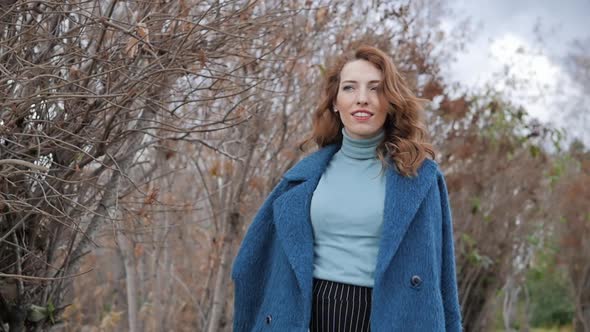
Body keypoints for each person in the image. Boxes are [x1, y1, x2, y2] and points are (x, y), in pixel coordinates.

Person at [231, 45, 462, 332]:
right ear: (335, 102)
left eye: (375, 89)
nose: (362, 99)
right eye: (350, 88)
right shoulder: (301, 178)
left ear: (390, 101)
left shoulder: (421, 177)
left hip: (388, 319)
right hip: (305, 318)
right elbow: (252, 264)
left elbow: (443, 278)